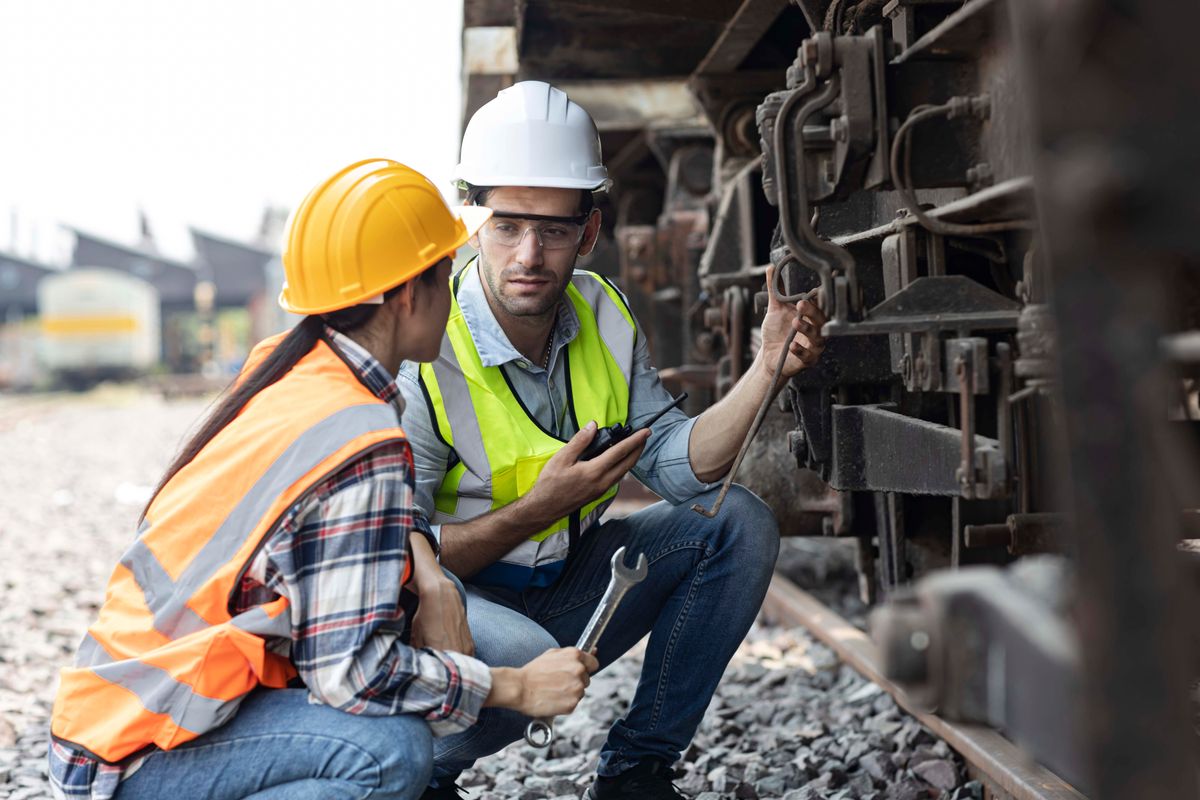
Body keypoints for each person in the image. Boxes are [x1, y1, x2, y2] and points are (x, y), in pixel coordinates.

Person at [48, 159, 599, 800]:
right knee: (390, 751)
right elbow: (354, 675)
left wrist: (426, 570)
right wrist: (515, 687)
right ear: (405, 293)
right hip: (140, 759)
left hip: (116, 723)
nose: (453, 297)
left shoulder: (291, 375)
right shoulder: (357, 435)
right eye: (446, 275)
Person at [397, 82, 828, 800]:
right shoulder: (428, 347)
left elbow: (679, 470)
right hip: (460, 606)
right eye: (507, 225)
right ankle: (421, 775)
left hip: (562, 585)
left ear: (589, 232)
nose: (528, 254)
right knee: (526, 652)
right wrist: (539, 508)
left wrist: (766, 369)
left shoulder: (605, 312)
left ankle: (637, 772)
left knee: (737, 523)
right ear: (471, 222)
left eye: (554, 230)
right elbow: (398, 561)